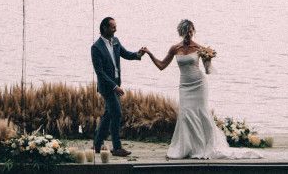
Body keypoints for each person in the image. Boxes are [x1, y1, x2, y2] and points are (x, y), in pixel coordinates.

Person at [146, 18, 230, 160]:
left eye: (190, 31)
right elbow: (161, 65)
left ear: (193, 31)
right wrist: (149, 53)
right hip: (184, 86)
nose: (188, 34)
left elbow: (208, 70)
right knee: (185, 115)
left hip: (199, 84)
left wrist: (208, 59)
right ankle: (188, 147)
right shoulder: (175, 48)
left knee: (201, 113)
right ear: (181, 32)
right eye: (185, 32)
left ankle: (204, 147)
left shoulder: (199, 48)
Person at [91, 16, 145, 157]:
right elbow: (99, 72)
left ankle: (97, 145)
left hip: (116, 84)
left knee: (108, 115)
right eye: (113, 27)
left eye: (115, 26)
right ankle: (117, 148)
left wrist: (138, 54)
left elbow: (125, 54)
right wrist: (114, 86)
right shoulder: (96, 47)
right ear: (105, 28)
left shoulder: (115, 41)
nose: (115, 29)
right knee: (116, 113)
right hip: (107, 87)